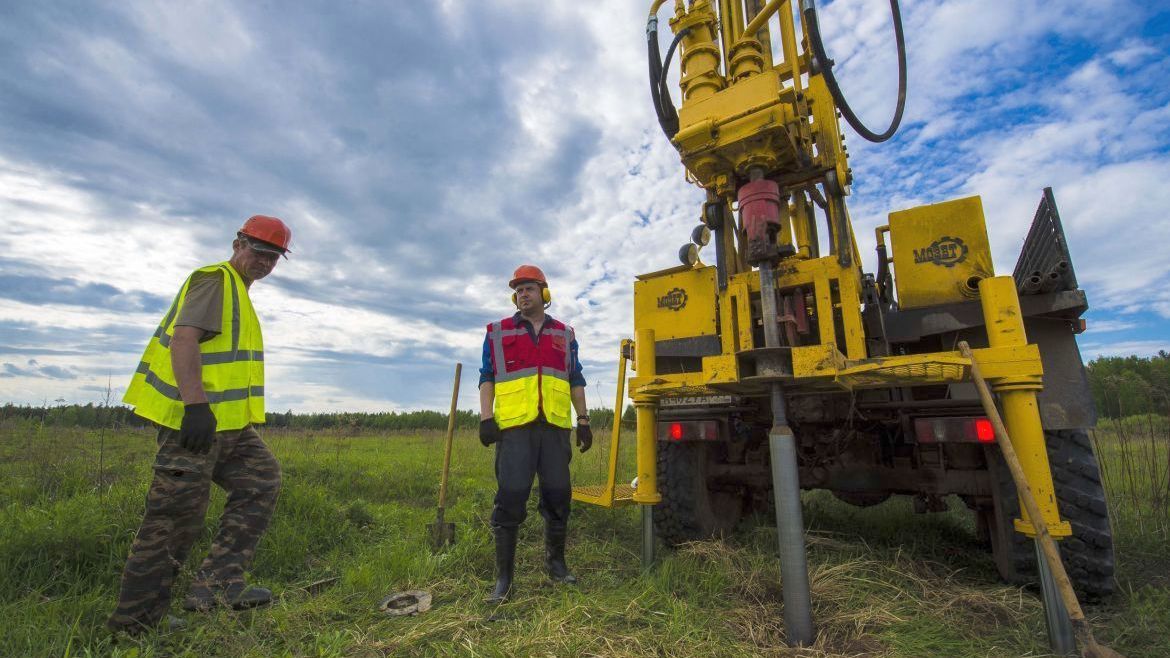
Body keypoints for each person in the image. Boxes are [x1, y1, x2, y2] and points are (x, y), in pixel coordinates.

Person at [107, 215, 292, 635]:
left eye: (273, 257)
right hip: (195, 427)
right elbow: (185, 339)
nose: (265, 262)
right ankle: (134, 625)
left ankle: (218, 587)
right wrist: (194, 407)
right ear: (237, 243)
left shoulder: (239, 292)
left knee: (261, 480)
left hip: (230, 429)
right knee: (172, 521)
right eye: (259, 251)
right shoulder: (215, 280)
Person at [478, 264, 593, 603]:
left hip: (555, 428)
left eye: (528, 288)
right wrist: (487, 417)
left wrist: (583, 420)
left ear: (544, 293)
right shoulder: (498, 332)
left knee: (558, 495)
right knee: (511, 496)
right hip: (514, 429)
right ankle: (504, 580)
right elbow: (486, 376)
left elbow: (576, 379)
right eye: (518, 290)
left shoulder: (564, 334)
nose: (522, 294)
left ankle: (556, 565)